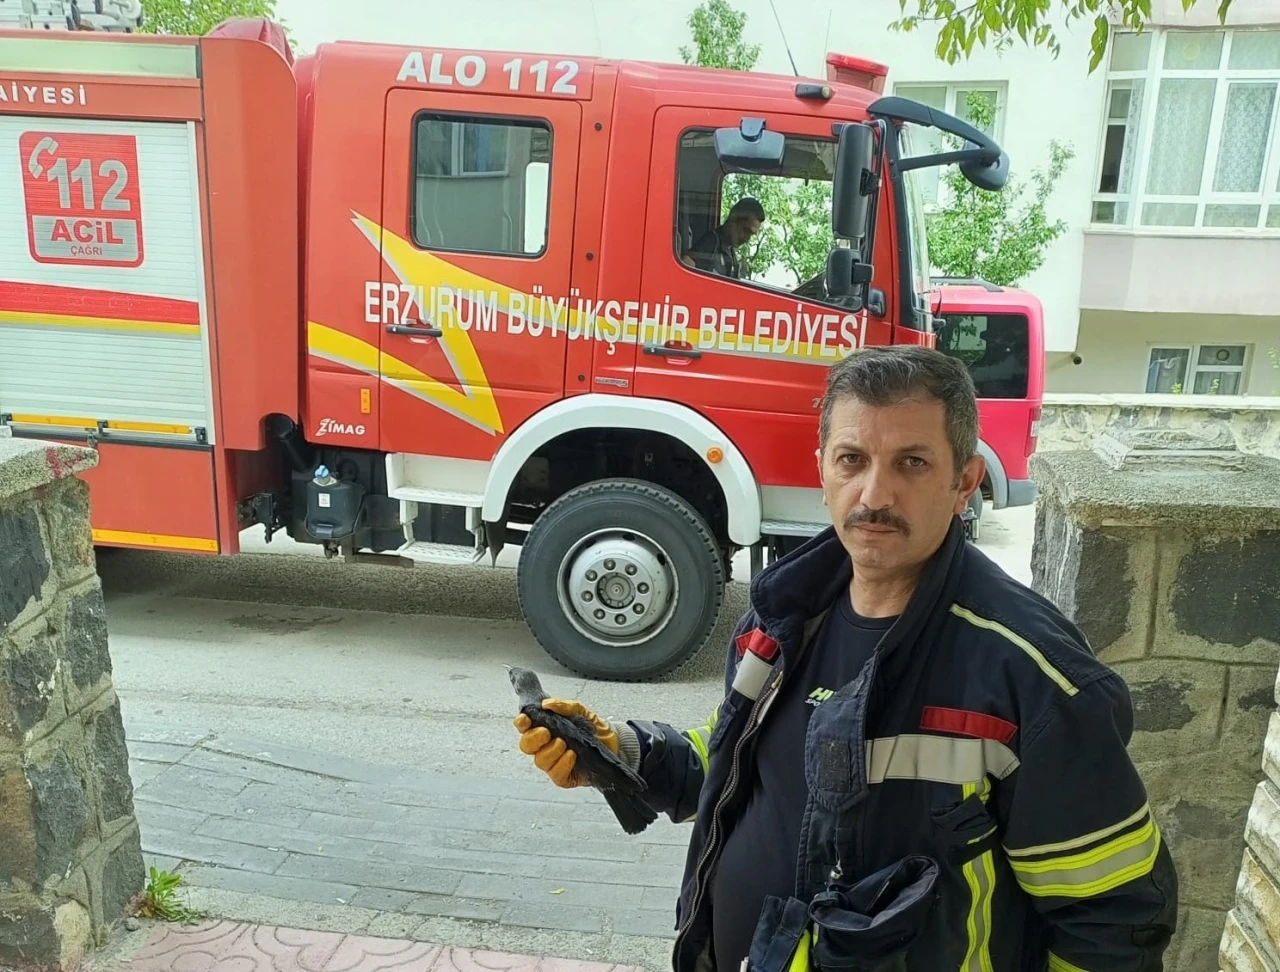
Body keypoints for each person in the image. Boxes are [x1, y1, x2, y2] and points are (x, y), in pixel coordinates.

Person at [513, 345, 1178, 971]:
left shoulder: (1032, 677)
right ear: (823, 471)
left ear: (965, 481)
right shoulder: (780, 616)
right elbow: (749, 762)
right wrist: (628, 753)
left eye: (912, 463)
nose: (875, 495)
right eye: (852, 459)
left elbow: (1114, 920)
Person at [681, 197, 765, 279]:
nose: (747, 239)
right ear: (733, 218)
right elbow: (685, 266)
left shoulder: (732, 257)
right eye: (746, 230)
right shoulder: (711, 241)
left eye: (751, 235)